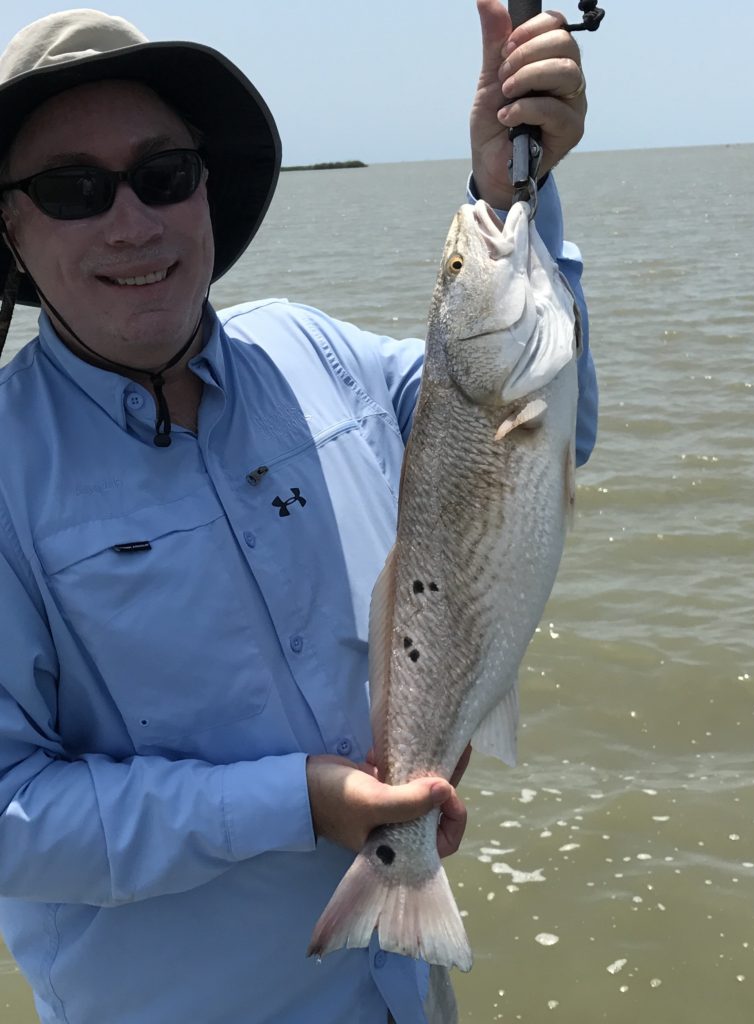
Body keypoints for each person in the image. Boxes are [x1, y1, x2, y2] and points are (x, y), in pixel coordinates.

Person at [0, 4, 596, 1023]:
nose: (132, 223)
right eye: (73, 191)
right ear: (6, 227)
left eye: (163, 175)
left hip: (405, 990)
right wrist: (300, 803)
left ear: (205, 189)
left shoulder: (319, 350)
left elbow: (539, 430)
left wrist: (511, 197)